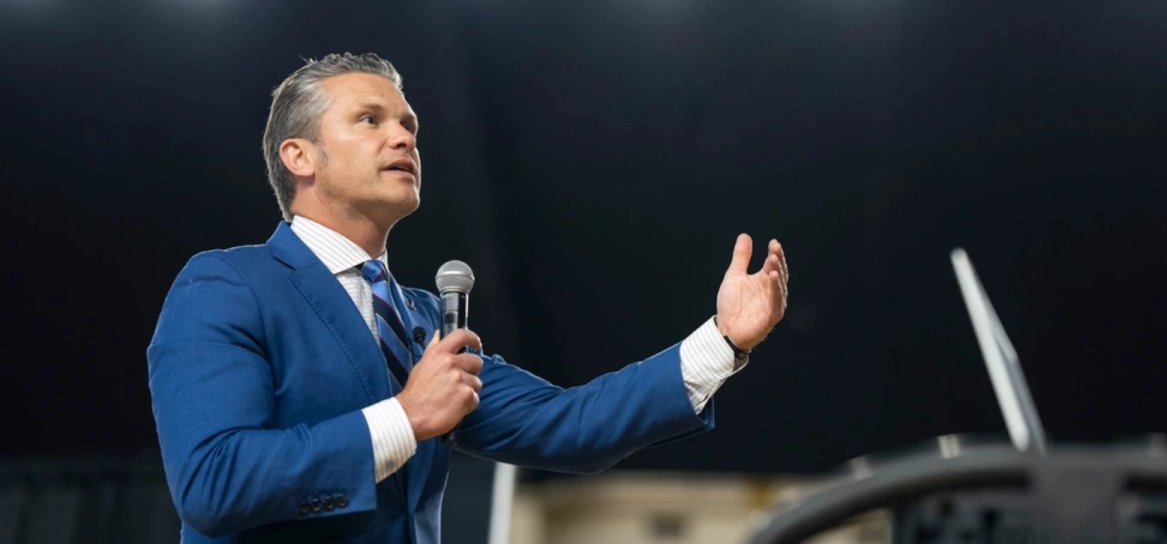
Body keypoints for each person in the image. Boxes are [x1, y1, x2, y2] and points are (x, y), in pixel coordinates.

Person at [146, 52, 789, 543]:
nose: (403, 138)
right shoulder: (227, 285)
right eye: (369, 120)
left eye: (408, 125)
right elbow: (212, 482)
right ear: (299, 156)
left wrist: (724, 339)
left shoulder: (423, 318)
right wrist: (405, 416)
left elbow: (573, 427)